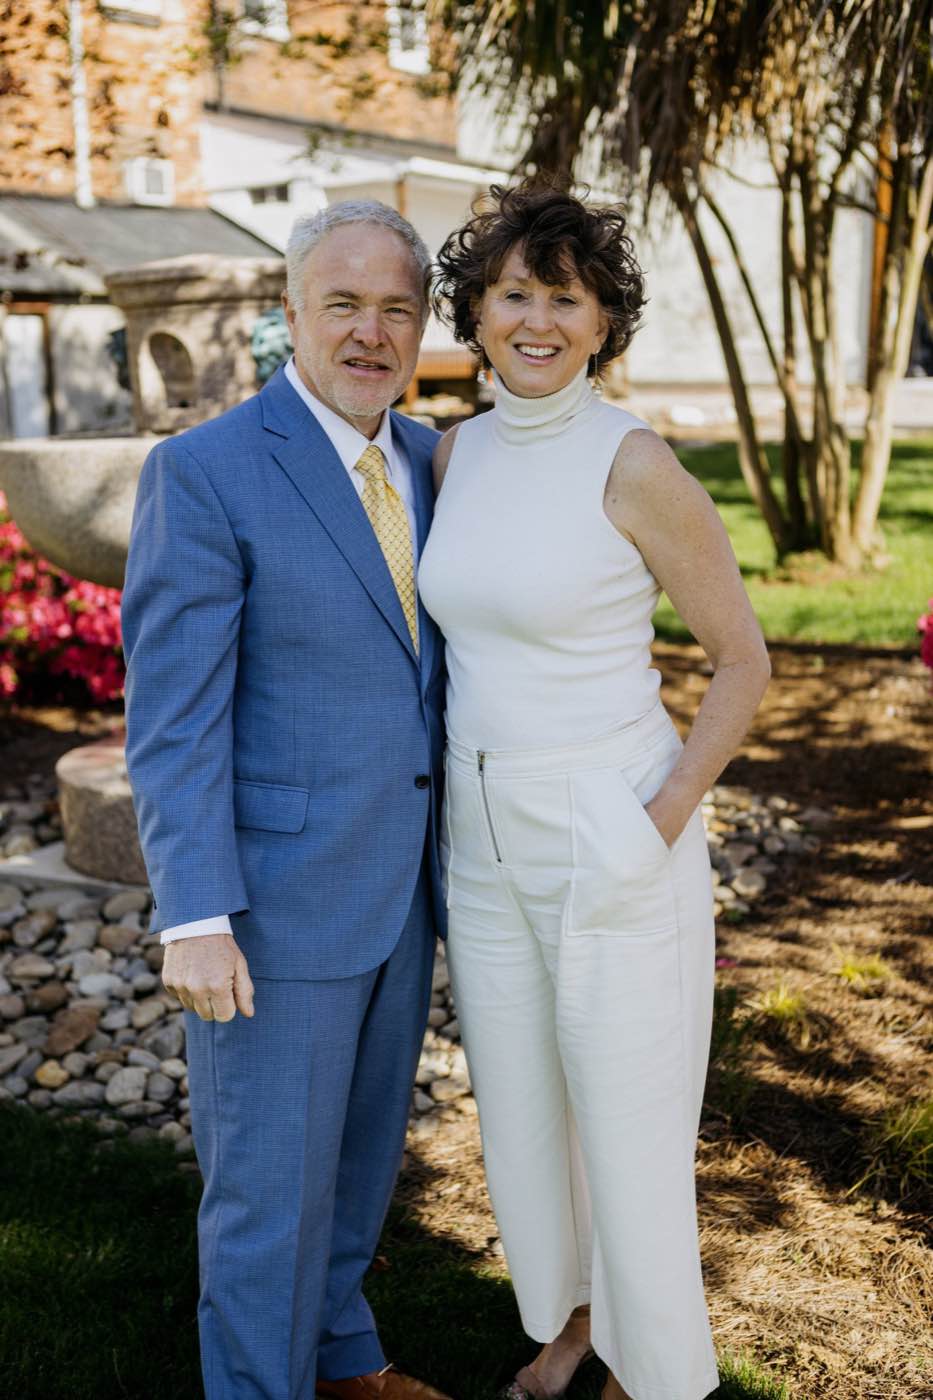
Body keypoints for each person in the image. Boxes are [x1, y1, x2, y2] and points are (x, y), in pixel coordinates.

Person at [418, 179, 771, 1400]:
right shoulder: (455, 451)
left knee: (628, 1121)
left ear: (604, 319)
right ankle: (573, 1326)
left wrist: (656, 822)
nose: (537, 320)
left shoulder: (634, 461)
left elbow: (744, 660)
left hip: (609, 821)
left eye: (565, 298)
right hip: (479, 834)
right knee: (525, 1116)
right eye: (515, 293)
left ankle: (657, 1372)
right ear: (476, 309)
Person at [122, 201, 450, 1400]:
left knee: (358, 1167)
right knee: (269, 1194)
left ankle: (345, 1358)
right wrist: (194, 911)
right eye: (343, 303)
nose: (371, 332)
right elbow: (174, 717)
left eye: (397, 309)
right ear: (292, 311)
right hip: (273, 905)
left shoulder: (432, 461)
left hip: (404, 886)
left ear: (423, 325)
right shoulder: (205, 469)